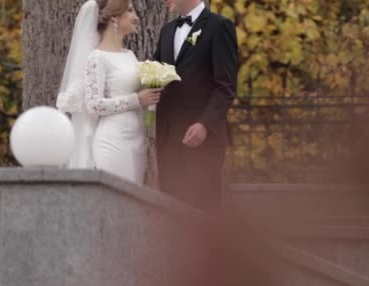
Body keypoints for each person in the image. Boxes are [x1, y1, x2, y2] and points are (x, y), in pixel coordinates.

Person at [56, 0, 162, 184]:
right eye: (130, 11)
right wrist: (137, 99)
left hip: (136, 140)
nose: (136, 17)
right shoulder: (97, 58)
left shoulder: (129, 55)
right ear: (114, 18)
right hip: (113, 141)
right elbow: (93, 104)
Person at [154, 0, 238, 212]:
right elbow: (157, 77)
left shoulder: (220, 27)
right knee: (170, 212)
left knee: (202, 214)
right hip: (169, 140)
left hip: (203, 141)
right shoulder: (166, 31)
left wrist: (204, 124)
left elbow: (225, 87)